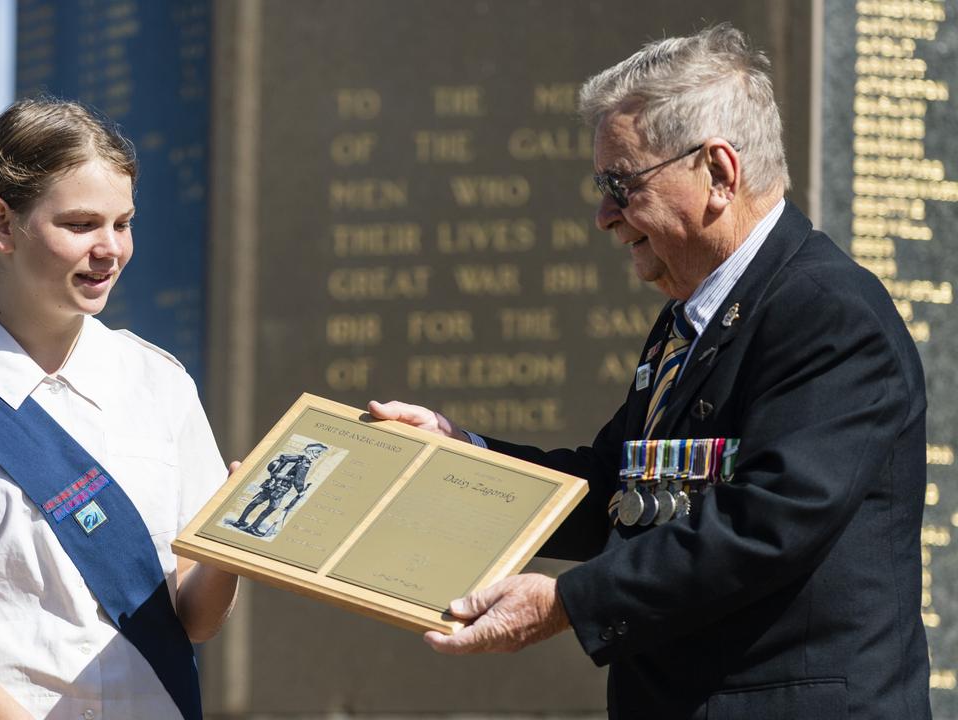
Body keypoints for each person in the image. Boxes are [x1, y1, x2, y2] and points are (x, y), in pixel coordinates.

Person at [369, 24, 930, 719]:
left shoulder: (828, 312)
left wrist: (568, 603)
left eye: (622, 184)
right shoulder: (691, 318)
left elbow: (768, 522)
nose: (604, 216)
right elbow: (617, 485)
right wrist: (464, 461)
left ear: (719, 174)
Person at [0, 98, 237, 720]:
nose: (110, 249)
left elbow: (194, 620)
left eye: (123, 222)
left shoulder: (162, 386)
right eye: (81, 225)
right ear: (2, 224)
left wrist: (232, 543)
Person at [231, 442, 326, 535]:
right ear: (311, 452)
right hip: (281, 488)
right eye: (318, 452)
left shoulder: (296, 457)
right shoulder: (305, 464)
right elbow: (298, 481)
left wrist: (277, 476)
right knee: (273, 507)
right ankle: (253, 527)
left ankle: (240, 521)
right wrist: (301, 491)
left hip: (270, 484)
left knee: (256, 502)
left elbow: (280, 460)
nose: (319, 455)